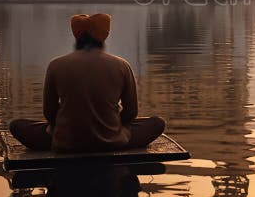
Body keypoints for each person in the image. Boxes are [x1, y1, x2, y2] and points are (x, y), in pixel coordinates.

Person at [9, 13, 165, 152]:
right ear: (103, 37)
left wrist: (65, 126)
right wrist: (112, 125)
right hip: (112, 140)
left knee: (17, 125)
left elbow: (49, 112)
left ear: (77, 37)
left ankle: (64, 135)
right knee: (157, 123)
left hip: (66, 141)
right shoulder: (122, 65)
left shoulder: (56, 65)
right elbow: (131, 112)